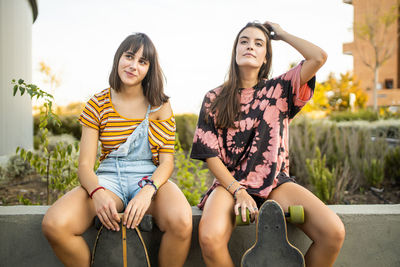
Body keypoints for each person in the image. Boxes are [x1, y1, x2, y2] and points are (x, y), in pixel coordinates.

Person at [190, 21, 345, 267]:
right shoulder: (214, 98)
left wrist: (281, 34)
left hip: (274, 182)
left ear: (265, 57)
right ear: (235, 51)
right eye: (244, 41)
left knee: (333, 233)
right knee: (209, 239)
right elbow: (210, 154)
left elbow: (318, 57)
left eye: (258, 43)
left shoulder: (281, 89)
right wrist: (238, 191)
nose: (250, 46)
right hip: (230, 185)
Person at [42, 33, 192, 267]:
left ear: (149, 69)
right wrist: (98, 193)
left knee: (182, 222)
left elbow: (167, 163)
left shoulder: (160, 104)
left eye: (143, 62)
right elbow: (84, 166)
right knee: (54, 224)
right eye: (129, 56)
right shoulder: (97, 104)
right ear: (118, 58)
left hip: (148, 177)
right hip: (108, 179)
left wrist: (148, 191)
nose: (133, 65)